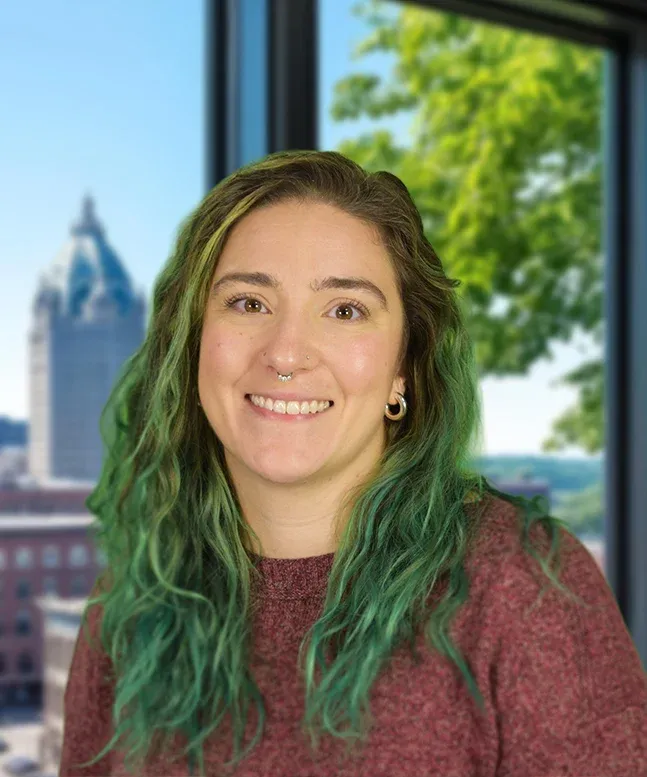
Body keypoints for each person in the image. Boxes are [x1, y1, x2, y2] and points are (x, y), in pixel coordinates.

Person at [59, 150, 647, 777]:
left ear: (404, 367)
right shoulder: (131, 605)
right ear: (192, 341)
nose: (286, 354)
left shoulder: (522, 588)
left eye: (345, 310)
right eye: (249, 303)